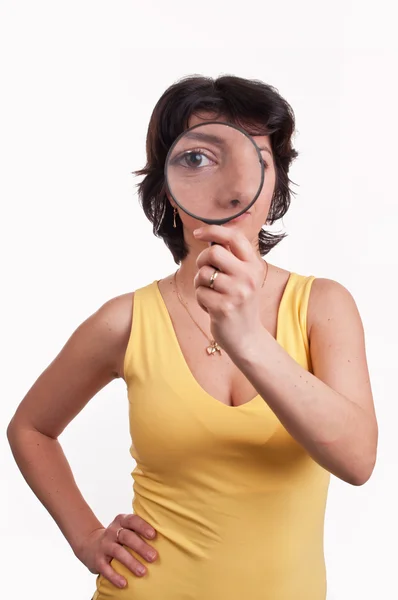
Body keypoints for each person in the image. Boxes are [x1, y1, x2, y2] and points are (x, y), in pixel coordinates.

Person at [7, 75, 378, 600]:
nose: (231, 185)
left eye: (257, 160)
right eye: (199, 158)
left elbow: (358, 461)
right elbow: (30, 428)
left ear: (275, 185)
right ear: (164, 185)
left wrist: (248, 339)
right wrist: (86, 537)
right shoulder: (126, 320)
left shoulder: (323, 306)